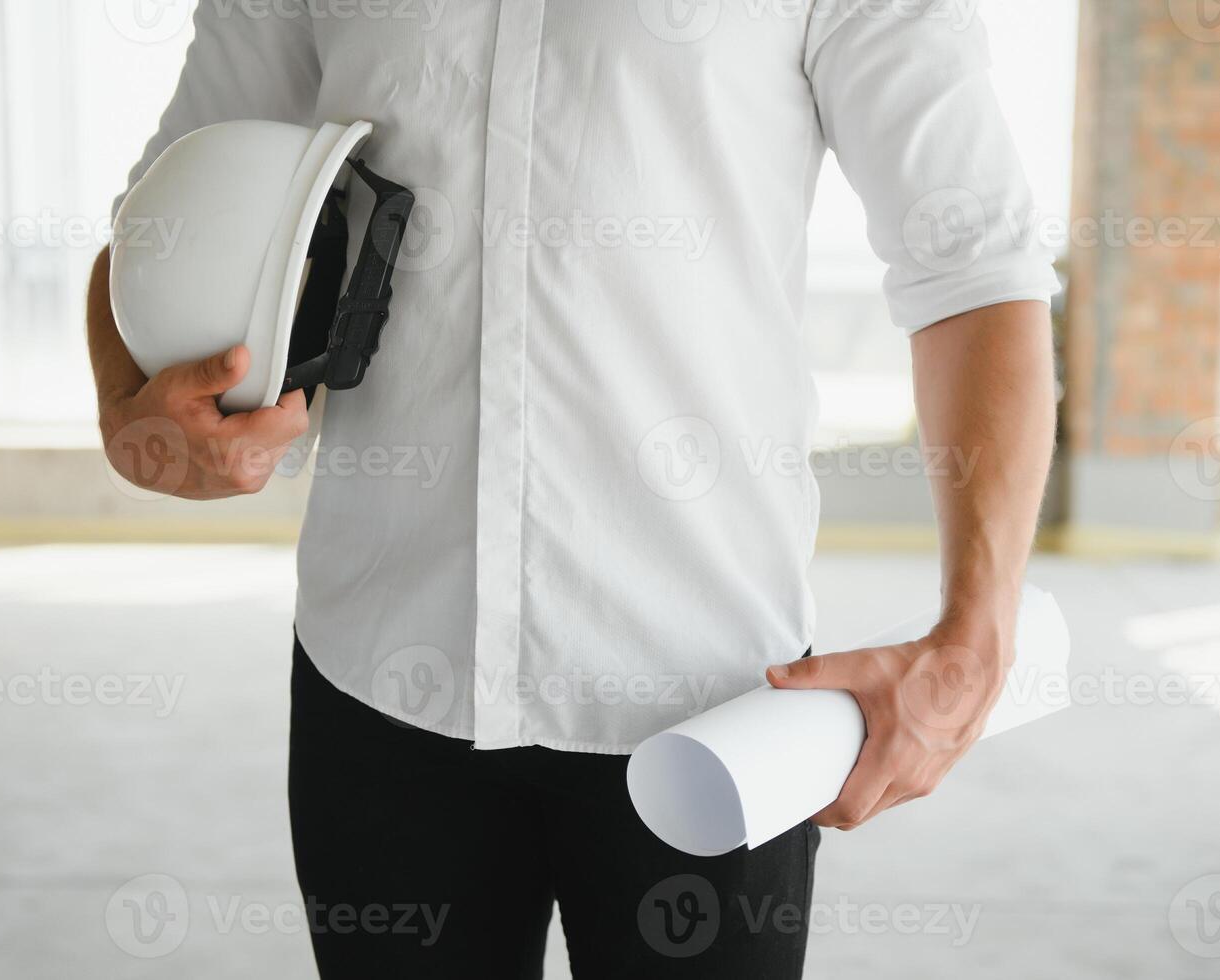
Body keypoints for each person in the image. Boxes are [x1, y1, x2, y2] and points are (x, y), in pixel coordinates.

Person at [87, 3, 1058, 977]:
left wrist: (977, 632)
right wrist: (127, 411)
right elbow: (161, 217)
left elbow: (973, 267)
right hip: (378, 672)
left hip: (709, 695)